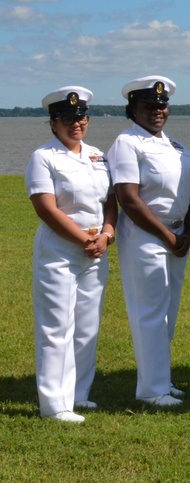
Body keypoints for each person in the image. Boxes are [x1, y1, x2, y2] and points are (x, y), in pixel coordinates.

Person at [27, 86, 117, 423]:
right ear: (53, 123)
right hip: (61, 252)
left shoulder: (97, 155)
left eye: (80, 117)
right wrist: (84, 239)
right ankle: (55, 404)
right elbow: (46, 208)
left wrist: (107, 234)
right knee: (56, 326)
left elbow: (110, 201)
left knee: (86, 326)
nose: (75, 123)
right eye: (66, 118)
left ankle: (79, 394)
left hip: (96, 250)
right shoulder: (44, 157)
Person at [108, 76, 190, 407]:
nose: (157, 111)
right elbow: (128, 200)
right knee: (149, 312)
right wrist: (169, 235)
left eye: (162, 105)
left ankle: (161, 379)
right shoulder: (126, 144)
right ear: (133, 110)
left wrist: (188, 231)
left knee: (168, 313)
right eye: (148, 106)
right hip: (145, 235)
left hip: (176, 236)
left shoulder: (176, 145)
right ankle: (151, 390)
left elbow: (188, 191)